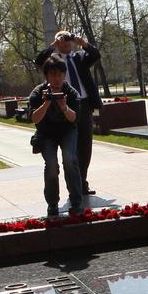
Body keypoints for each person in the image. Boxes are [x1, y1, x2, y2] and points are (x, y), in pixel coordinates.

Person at [36, 31, 101, 197]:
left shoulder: (79, 57)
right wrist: (53, 45)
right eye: (62, 40)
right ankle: (73, 185)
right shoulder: (54, 61)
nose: (66, 43)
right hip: (61, 103)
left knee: (85, 145)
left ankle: (82, 183)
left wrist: (83, 43)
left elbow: (96, 55)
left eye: (68, 39)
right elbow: (38, 61)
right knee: (69, 147)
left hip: (83, 103)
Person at [26, 56, 83, 217]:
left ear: (64, 75)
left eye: (59, 74)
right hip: (46, 134)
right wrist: (46, 103)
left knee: (69, 159)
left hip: (67, 131)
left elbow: (74, 118)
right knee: (51, 165)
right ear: (46, 77)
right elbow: (34, 119)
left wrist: (64, 107)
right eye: (52, 75)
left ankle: (77, 201)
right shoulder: (38, 93)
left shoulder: (71, 92)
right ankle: (52, 204)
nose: (56, 78)